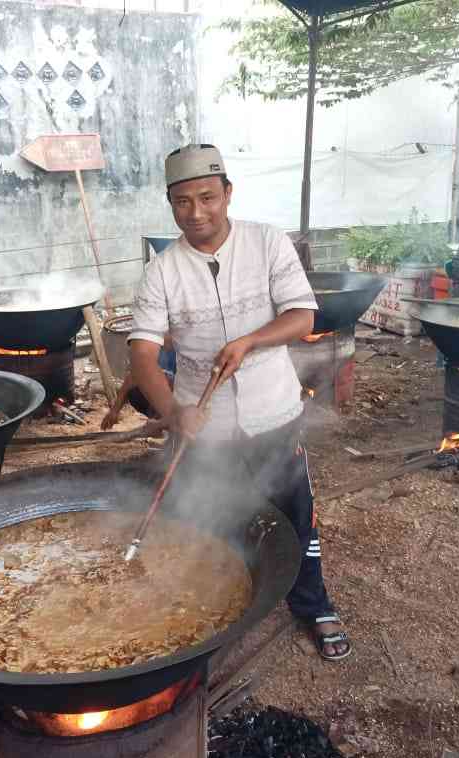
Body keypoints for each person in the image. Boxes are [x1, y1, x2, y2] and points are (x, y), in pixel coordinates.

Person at [128, 143, 351, 661]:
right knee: (212, 522)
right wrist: (173, 412)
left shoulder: (267, 243)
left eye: (208, 197)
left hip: (275, 416)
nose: (197, 213)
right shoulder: (162, 271)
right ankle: (221, 614)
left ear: (227, 193)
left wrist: (251, 340)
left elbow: (302, 317)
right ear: (170, 203)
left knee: (297, 519)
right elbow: (142, 355)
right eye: (183, 202)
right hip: (205, 430)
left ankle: (313, 604)